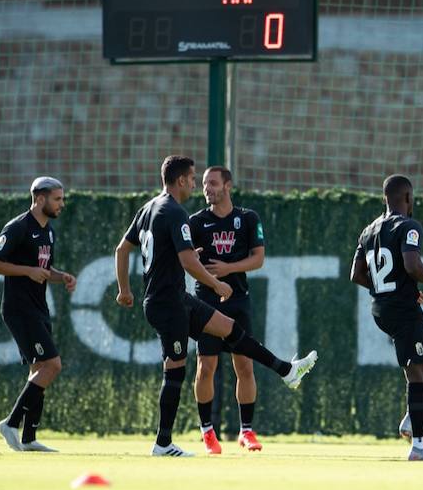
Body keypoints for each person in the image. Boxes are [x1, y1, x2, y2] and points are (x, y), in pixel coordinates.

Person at [115, 155, 316, 457]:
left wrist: (124, 290)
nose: (197, 184)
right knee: (176, 370)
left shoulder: (148, 208)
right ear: (181, 180)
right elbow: (186, 260)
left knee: (231, 330)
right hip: (168, 303)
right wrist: (216, 283)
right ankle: (164, 443)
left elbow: (122, 249)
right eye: (195, 178)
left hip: (176, 299)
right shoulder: (176, 212)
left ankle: (286, 371)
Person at [351, 174, 423, 462]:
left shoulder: (368, 230)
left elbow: (356, 274)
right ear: (408, 198)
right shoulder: (409, 225)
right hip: (400, 308)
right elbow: (412, 264)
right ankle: (419, 446)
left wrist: (391, 289)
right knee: (417, 372)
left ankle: (411, 417)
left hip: (381, 308)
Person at [0, 177, 78, 452]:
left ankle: (28, 438)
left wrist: (62, 277)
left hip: (38, 307)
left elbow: (42, 269)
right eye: (57, 199)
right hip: (19, 308)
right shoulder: (18, 227)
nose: (62, 204)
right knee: (52, 365)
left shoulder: (49, 232)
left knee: (39, 370)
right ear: (40, 199)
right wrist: (26, 271)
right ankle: (10, 424)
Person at [188, 166, 266, 454]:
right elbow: (186, 260)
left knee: (244, 366)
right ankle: (207, 432)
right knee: (206, 366)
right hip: (206, 302)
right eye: (205, 183)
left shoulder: (247, 219)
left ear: (228, 186)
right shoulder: (195, 222)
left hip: (238, 301)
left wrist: (228, 269)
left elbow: (258, 259)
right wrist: (205, 273)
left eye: (213, 183)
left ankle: (246, 431)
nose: (207, 188)